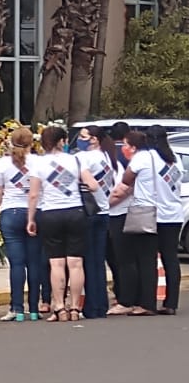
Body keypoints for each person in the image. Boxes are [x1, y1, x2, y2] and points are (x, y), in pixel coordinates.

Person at [26, 125, 99, 322]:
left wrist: (31, 219)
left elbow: (33, 194)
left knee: (56, 263)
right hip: (75, 212)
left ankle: (59, 308)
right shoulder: (75, 160)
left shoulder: (38, 164)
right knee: (76, 263)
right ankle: (75, 307)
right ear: (62, 141)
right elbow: (93, 185)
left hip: (50, 213)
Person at [108, 130, 164, 315]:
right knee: (146, 259)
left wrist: (104, 204)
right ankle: (145, 301)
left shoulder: (139, 159)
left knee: (135, 260)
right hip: (160, 211)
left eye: (125, 145)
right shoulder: (159, 157)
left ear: (133, 147)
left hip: (141, 211)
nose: (122, 148)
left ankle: (136, 302)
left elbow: (123, 186)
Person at [0, 128, 44, 321]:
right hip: (34, 212)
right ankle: (33, 308)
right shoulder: (38, 162)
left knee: (16, 263)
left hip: (10, 212)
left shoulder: (3, 164)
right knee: (34, 263)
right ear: (32, 143)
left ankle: (16, 308)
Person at [75, 126, 117, 320]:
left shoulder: (85, 158)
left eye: (84, 136)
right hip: (104, 212)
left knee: (89, 262)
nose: (80, 140)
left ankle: (91, 307)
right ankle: (101, 305)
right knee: (98, 262)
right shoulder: (107, 157)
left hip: (90, 212)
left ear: (94, 139)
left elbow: (85, 182)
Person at [145, 125, 183, 315]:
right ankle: (171, 303)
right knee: (171, 258)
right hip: (175, 214)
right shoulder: (175, 158)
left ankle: (149, 302)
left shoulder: (149, 157)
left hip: (154, 214)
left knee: (150, 259)